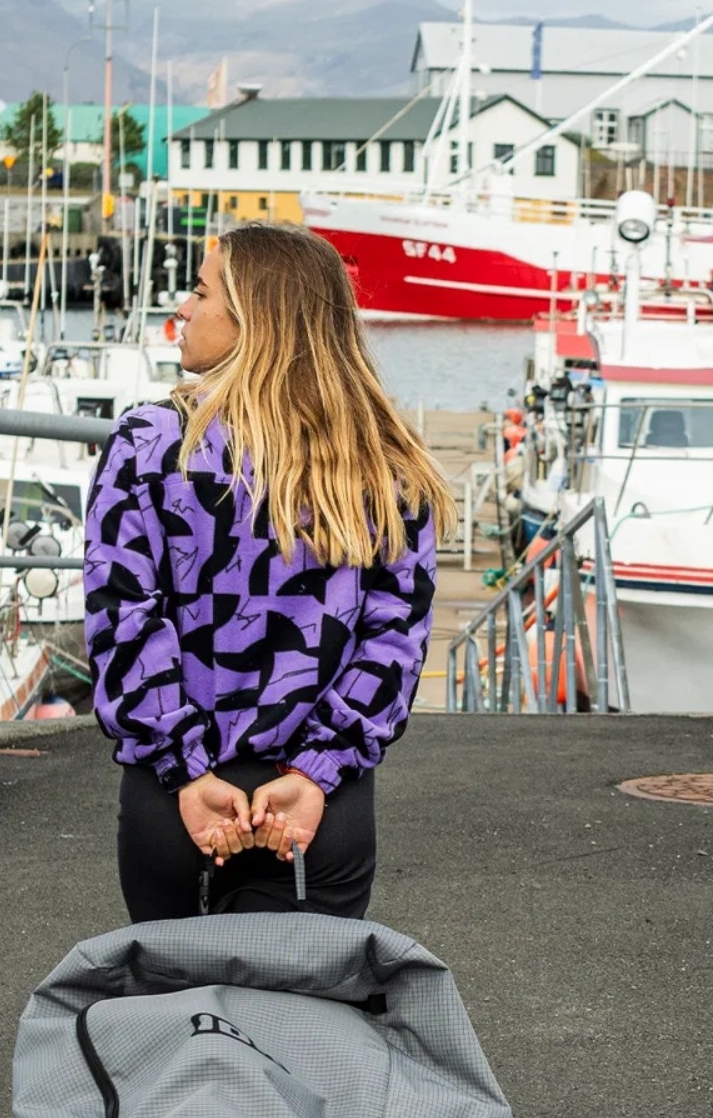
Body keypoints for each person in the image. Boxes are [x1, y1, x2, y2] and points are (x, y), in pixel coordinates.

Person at [83, 223, 454, 922]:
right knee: (298, 992)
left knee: (173, 989)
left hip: (175, 804)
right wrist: (317, 771)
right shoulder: (388, 463)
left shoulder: (149, 444)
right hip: (319, 812)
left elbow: (124, 618)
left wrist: (186, 769)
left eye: (200, 293)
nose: (184, 309)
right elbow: (393, 643)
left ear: (256, 317)